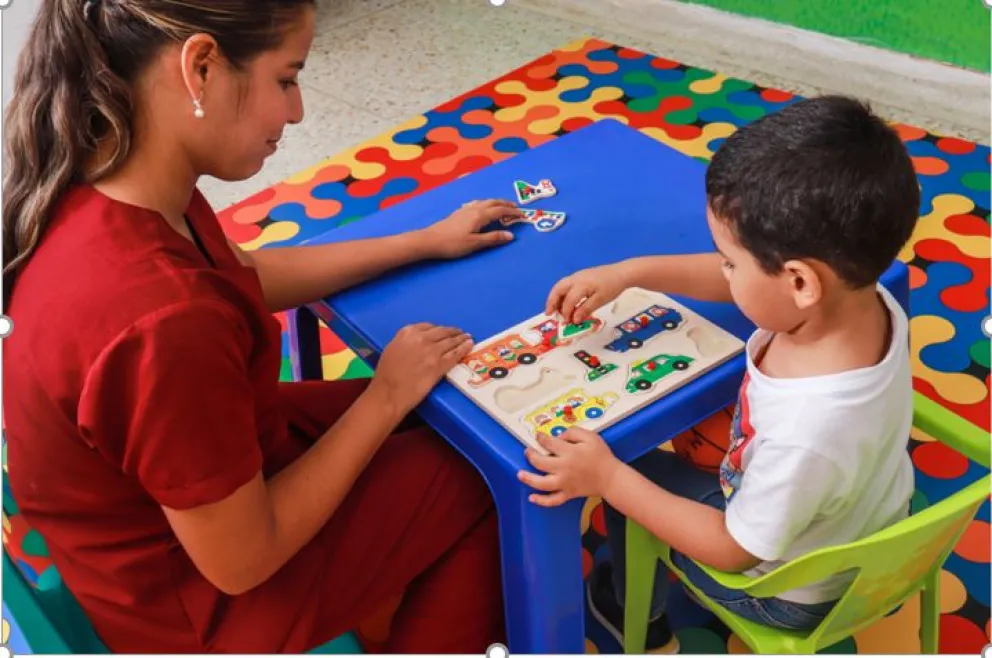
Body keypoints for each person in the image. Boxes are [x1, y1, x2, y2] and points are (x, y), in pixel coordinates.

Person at [3, 0, 524, 653]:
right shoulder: (163, 320)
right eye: (286, 78)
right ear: (200, 68)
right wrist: (386, 394)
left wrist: (422, 240)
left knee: (459, 403)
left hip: (175, 515)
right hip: (196, 606)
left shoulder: (113, 176)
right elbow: (242, 561)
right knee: (489, 473)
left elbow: (238, 271)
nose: (297, 111)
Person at [524, 95, 920, 653]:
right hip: (874, 522)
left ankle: (628, 608)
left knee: (626, 464)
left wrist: (610, 480)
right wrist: (632, 274)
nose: (725, 273)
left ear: (801, 283)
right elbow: (753, 281)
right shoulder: (863, 293)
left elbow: (734, 549)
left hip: (789, 590)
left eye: (732, 263)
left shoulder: (806, 431)